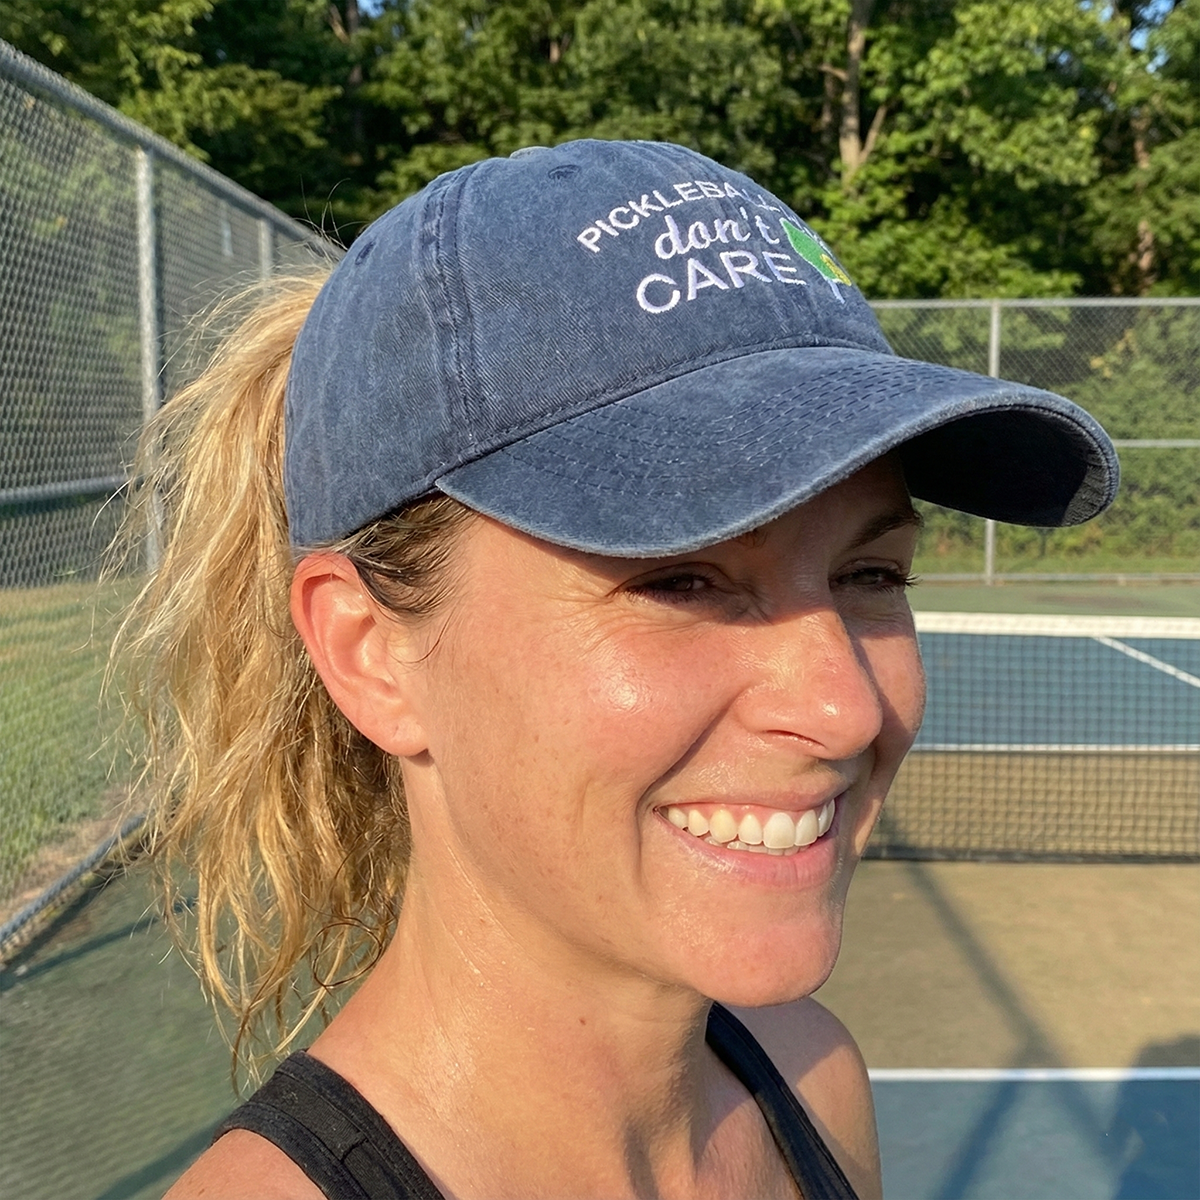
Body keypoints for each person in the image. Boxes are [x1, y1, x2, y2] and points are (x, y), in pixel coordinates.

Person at [125, 140, 1117, 1200]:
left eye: (870, 572)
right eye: (682, 582)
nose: (840, 706)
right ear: (372, 657)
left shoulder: (811, 1079)